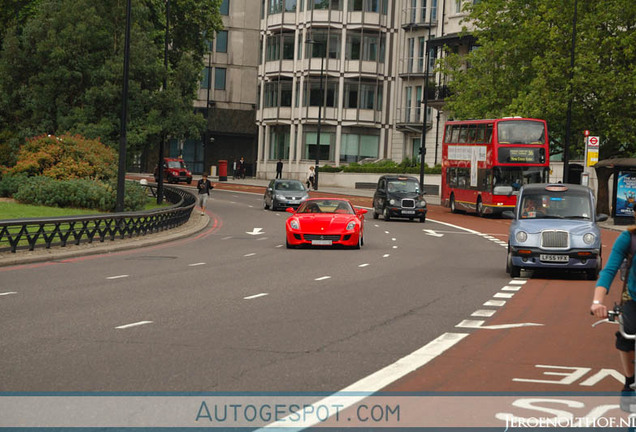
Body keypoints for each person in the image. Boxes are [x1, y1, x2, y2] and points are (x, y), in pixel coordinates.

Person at [591, 227, 636, 409]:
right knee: (628, 333)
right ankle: (629, 381)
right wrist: (597, 301)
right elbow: (609, 271)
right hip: (634, 298)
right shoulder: (629, 238)